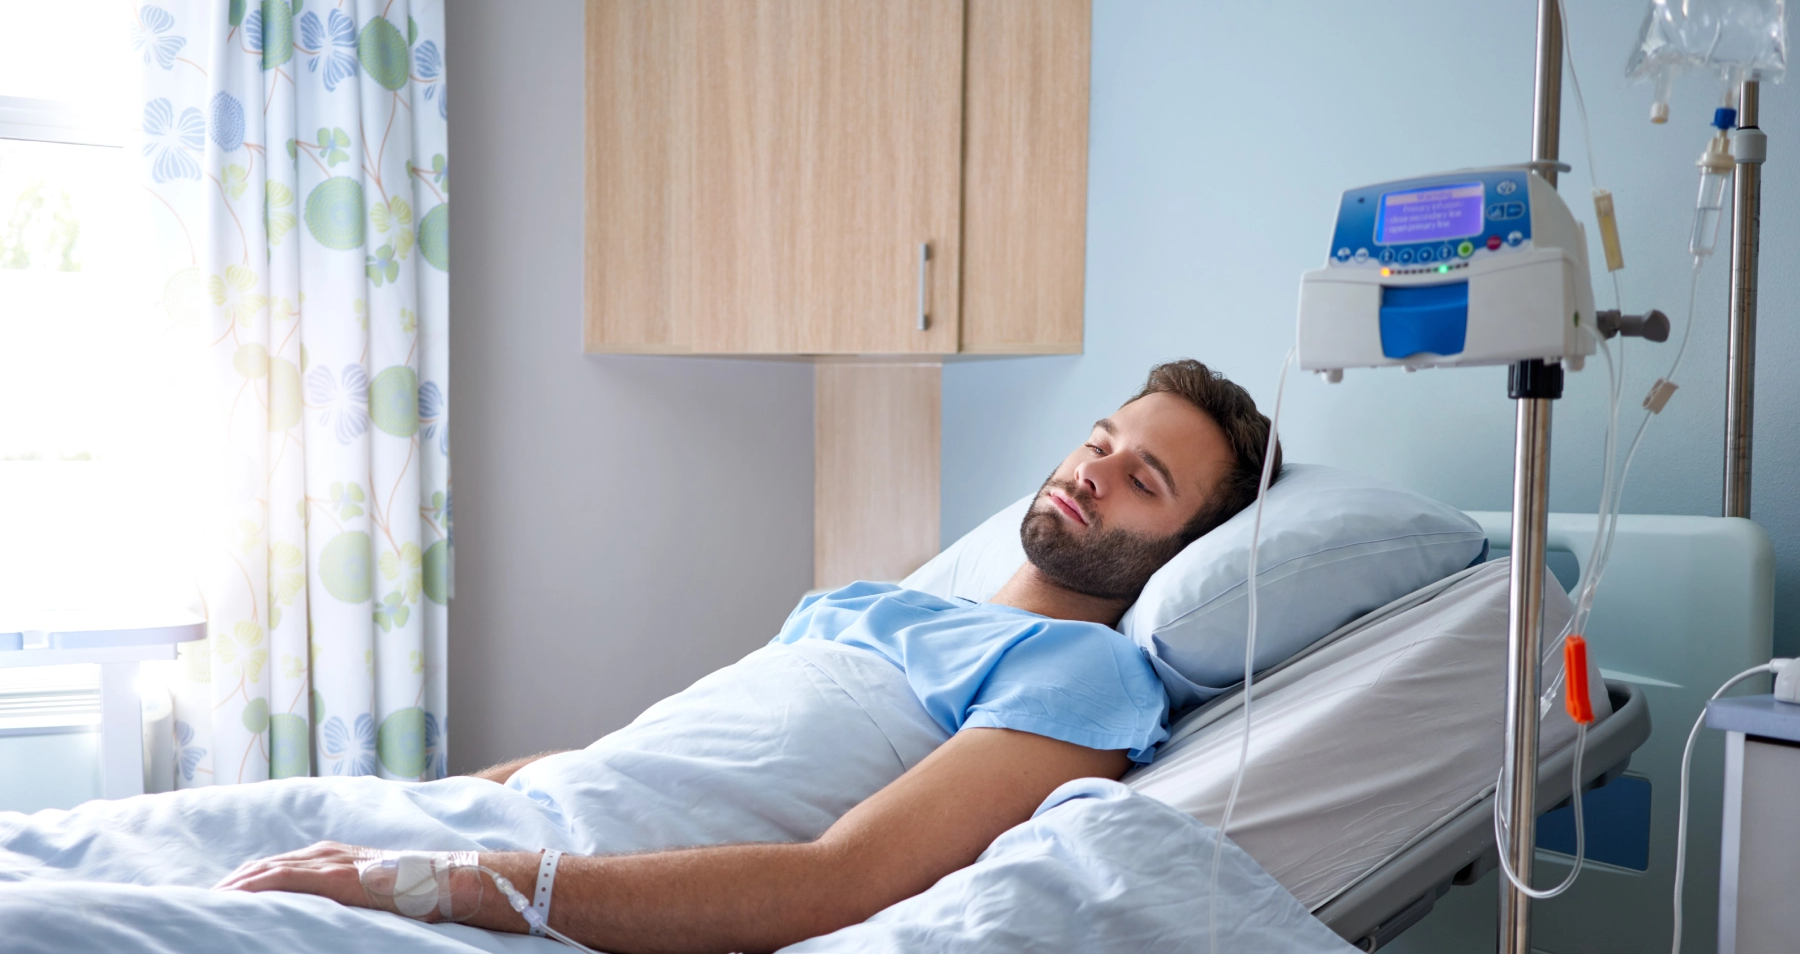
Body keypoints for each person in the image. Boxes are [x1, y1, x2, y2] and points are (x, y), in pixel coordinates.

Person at [215, 359, 1281, 953]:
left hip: (532, 896)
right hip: (477, 822)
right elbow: (636, 757)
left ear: (1185, 550)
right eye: (1100, 440)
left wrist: (449, 880)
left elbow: (840, 881)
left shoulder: (1084, 671)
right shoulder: (875, 601)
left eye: (1145, 480)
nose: (1095, 471)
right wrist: (426, 811)